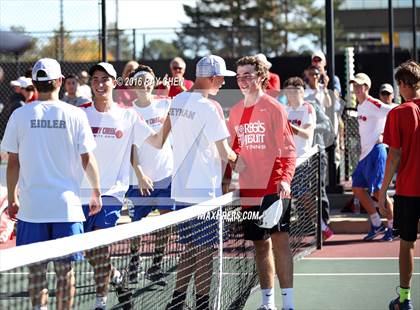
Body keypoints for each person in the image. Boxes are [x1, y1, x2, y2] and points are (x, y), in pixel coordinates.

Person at [0, 58, 102, 310]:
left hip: (32, 210)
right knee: (65, 273)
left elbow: (13, 163)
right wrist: (96, 192)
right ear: (58, 82)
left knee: (36, 272)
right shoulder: (76, 114)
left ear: (34, 83)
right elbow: (88, 159)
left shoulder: (20, 115)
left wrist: (13, 199)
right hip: (66, 210)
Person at [80, 62, 162, 310]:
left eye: (105, 79)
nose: (100, 84)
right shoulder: (80, 113)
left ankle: (101, 303)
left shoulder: (128, 116)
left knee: (100, 247)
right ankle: (117, 278)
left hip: (112, 194)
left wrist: (173, 117)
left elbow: (157, 142)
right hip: (79, 194)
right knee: (87, 249)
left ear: (115, 83)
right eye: (95, 79)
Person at [164, 55, 237, 310]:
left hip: (182, 191)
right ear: (211, 77)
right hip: (205, 194)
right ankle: (203, 305)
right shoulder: (208, 108)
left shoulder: (177, 100)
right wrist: (250, 164)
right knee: (205, 255)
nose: (222, 84)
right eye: (220, 79)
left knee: (187, 252)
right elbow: (225, 152)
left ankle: (176, 303)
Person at [227, 55, 296, 310]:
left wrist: (286, 180)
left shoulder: (275, 108)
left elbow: (289, 151)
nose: (243, 80)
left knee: (280, 243)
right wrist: (229, 175)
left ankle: (288, 305)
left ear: (260, 77)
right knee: (260, 246)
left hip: (276, 187)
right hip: (249, 191)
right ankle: (268, 304)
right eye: (239, 76)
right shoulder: (235, 112)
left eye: (248, 75)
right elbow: (232, 152)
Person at [125, 65, 175, 284]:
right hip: (139, 181)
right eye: (139, 79)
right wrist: (140, 174)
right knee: (136, 225)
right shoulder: (127, 112)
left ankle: (155, 266)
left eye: (148, 79)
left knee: (166, 224)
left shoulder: (166, 105)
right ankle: (134, 264)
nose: (144, 83)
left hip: (166, 176)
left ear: (153, 83)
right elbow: (130, 149)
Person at [378, 60, 420, 310]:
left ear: (402, 85)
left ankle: (404, 300)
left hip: (409, 190)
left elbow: (394, 155)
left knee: (407, 243)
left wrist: (382, 191)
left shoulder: (398, 113)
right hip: (409, 189)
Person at [350, 73, 394, 241]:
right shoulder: (359, 106)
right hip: (364, 155)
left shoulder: (373, 103)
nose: (356, 88)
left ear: (366, 87)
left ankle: (392, 226)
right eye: (354, 85)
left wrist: (386, 134)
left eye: (359, 85)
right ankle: (377, 224)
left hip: (377, 151)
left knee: (378, 192)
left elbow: (393, 110)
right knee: (357, 188)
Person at [284, 77, 315, 158]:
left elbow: (307, 134)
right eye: (288, 91)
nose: (291, 94)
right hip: (288, 157)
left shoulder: (307, 108)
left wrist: (287, 125)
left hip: (302, 158)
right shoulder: (285, 110)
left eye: (294, 91)